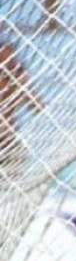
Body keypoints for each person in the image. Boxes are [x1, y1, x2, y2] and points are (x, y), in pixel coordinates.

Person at [0, 41, 39, 178]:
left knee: (11, 187)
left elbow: (37, 106)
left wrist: (22, 82)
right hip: (7, 140)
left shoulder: (16, 82)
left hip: (9, 143)